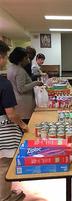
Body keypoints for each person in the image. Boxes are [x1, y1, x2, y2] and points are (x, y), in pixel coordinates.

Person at [0, 41, 28, 201]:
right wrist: (23, 125)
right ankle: (4, 197)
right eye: (3, 57)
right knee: (4, 164)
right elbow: (11, 114)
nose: (4, 61)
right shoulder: (3, 83)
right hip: (3, 127)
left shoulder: (7, 75)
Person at [7, 47, 43, 124]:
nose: (28, 60)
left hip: (17, 100)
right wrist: (36, 83)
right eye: (26, 58)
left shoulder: (11, 67)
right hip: (23, 103)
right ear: (21, 59)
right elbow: (21, 89)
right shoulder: (19, 71)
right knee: (26, 125)